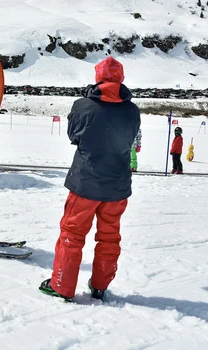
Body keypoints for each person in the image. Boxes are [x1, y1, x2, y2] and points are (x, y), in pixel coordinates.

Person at [38, 56, 141, 301]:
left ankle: (62, 285)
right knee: (109, 237)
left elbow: (74, 136)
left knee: (72, 235)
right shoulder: (132, 109)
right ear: (121, 78)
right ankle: (100, 286)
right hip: (117, 184)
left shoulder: (82, 105)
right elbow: (129, 140)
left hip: (86, 181)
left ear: (98, 77)